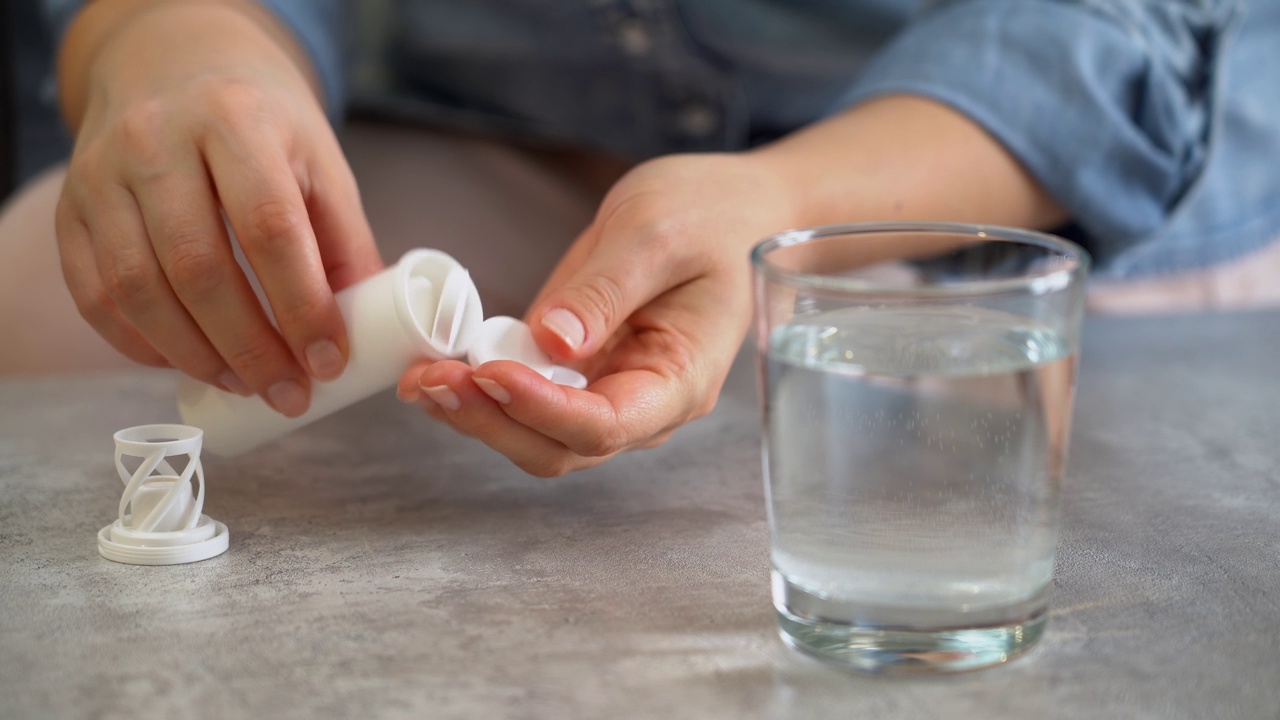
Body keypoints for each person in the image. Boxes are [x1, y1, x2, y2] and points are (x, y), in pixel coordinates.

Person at [1, 0, 1278, 475]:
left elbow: (1130, 33)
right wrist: (167, 37)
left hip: (970, 169)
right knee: (50, 288)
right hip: (507, 130)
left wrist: (779, 207)